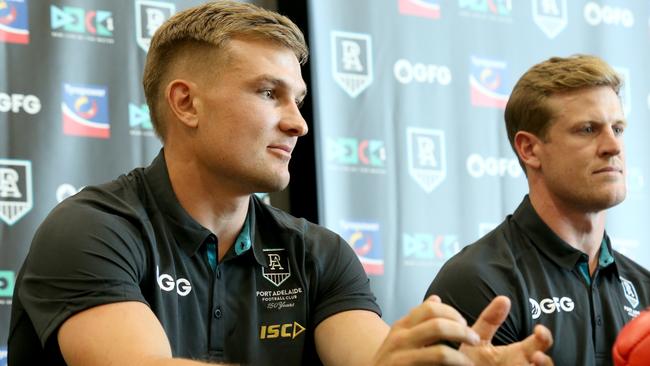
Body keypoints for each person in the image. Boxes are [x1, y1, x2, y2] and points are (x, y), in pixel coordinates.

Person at [9, 1, 553, 365]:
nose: (298, 122)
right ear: (186, 102)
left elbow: (373, 359)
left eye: (298, 99)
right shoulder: (92, 229)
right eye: (269, 93)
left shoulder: (317, 253)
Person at [425, 54, 650, 365]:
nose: (613, 146)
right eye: (587, 129)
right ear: (529, 149)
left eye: (618, 128)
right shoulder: (478, 282)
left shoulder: (644, 287)